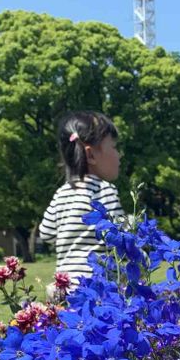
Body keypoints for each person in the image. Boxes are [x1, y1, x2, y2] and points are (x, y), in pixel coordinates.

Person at [38, 111, 125, 294]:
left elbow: (45, 233)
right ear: (91, 155)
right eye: (114, 147)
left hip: (64, 287)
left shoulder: (61, 193)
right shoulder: (105, 191)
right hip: (97, 286)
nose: (120, 155)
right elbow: (119, 235)